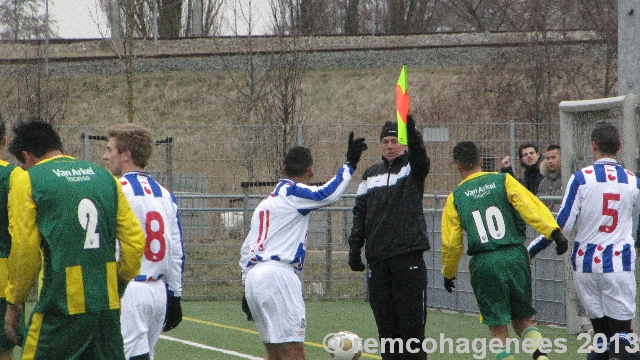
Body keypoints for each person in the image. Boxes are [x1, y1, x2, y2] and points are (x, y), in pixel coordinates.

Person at [4, 119, 146, 359]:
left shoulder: (29, 180)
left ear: (27, 156)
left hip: (60, 305)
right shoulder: (105, 178)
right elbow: (135, 243)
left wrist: (14, 301)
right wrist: (117, 289)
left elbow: (24, 253)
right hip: (105, 306)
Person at [239, 132, 367, 360]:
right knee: (294, 351)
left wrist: (245, 285)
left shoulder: (264, 205)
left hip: (254, 278)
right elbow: (327, 194)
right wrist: (350, 165)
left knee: (275, 353)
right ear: (310, 171)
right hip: (278, 276)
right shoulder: (292, 192)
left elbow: (246, 250)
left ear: (283, 169)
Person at [441, 141, 568, 360]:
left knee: (498, 328)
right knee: (524, 321)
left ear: (457, 166)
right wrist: (553, 232)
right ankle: (541, 357)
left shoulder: (456, 197)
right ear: (480, 160)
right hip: (515, 256)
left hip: (486, 263)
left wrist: (449, 272)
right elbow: (529, 205)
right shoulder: (503, 180)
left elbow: (452, 243)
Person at [527, 123, 640, 359]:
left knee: (600, 333)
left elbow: (563, 224)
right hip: (618, 265)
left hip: (585, 266)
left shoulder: (581, 178)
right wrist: (637, 244)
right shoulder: (632, 181)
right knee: (621, 336)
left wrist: (533, 249)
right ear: (619, 146)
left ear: (594, 146)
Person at [348, 115, 430, 359]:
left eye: (395, 140)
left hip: (407, 259)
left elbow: (420, 157)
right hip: (379, 262)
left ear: (403, 144)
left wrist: (412, 131)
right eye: (385, 141)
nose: (390, 146)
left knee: (412, 333)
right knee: (387, 335)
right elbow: (359, 214)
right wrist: (355, 248)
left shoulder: (412, 169)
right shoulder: (370, 174)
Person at [102, 124, 185, 360]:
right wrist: (175, 295)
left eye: (110, 150)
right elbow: (176, 250)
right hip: (157, 290)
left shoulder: (115, 188)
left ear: (126, 154)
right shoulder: (165, 194)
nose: (105, 156)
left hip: (130, 289)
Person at [0, 120, 24, 360]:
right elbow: (21, 232)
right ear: (4, 140)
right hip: (3, 278)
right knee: (4, 349)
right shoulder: (13, 175)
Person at [536, 144, 563, 212]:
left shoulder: (568, 178)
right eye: (547, 158)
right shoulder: (544, 182)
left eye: (553, 157)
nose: (550, 161)